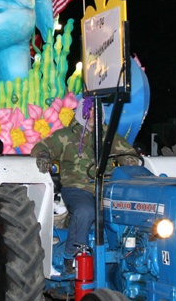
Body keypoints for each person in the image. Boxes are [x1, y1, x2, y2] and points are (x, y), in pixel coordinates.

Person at [30, 96, 138, 274]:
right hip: (77, 187)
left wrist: (128, 159)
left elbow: (129, 153)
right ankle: (72, 256)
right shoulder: (66, 136)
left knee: (128, 209)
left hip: (106, 188)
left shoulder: (108, 136)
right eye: (90, 109)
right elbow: (42, 147)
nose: (94, 113)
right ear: (83, 111)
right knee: (86, 210)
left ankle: (127, 255)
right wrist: (43, 155)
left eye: (98, 110)